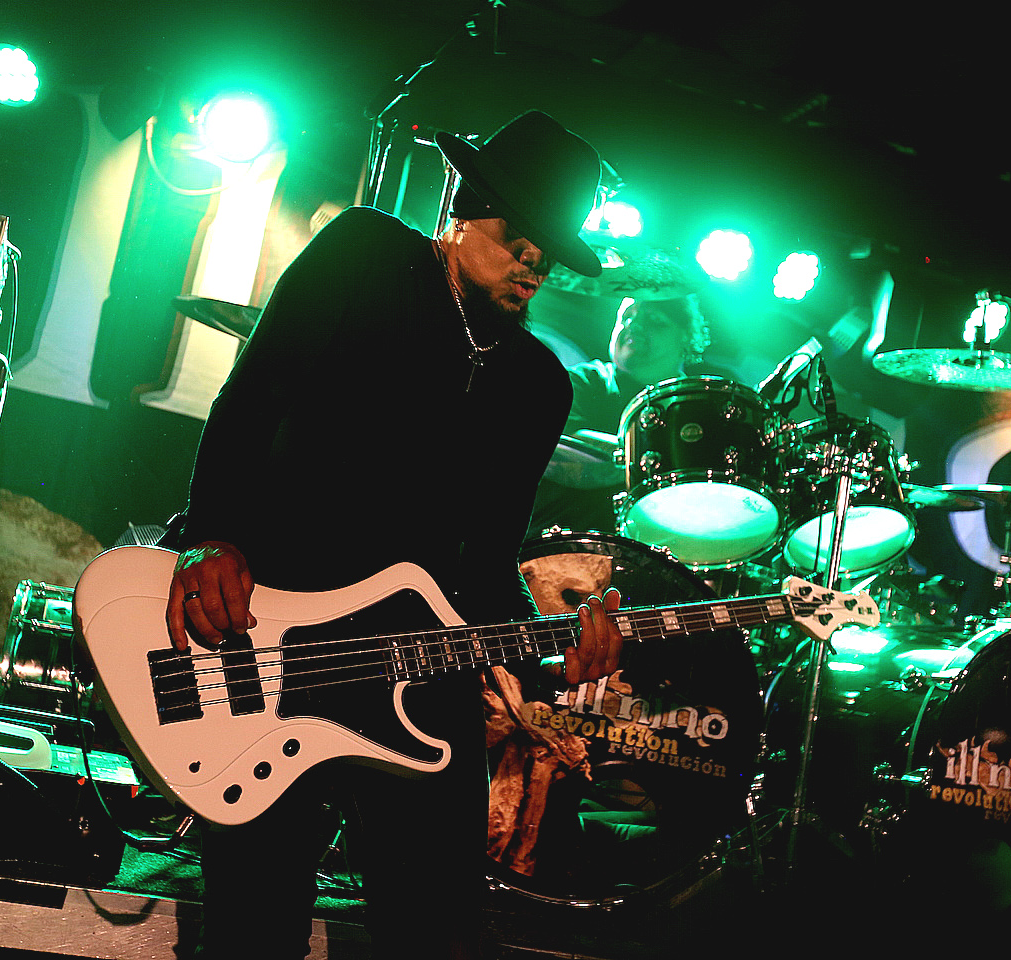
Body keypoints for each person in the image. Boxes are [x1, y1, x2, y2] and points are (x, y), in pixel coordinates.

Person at [161, 109, 626, 960]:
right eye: (518, 236)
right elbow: (250, 401)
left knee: (439, 928)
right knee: (256, 923)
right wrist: (211, 537)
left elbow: (488, 565)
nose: (533, 262)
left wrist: (553, 656)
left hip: (418, 667)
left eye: (548, 251)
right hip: (277, 634)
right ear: (464, 207)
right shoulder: (367, 255)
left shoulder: (537, 385)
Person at [529, 294, 709, 535]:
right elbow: (562, 448)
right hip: (565, 539)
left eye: (654, 320)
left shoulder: (704, 407)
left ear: (687, 337)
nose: (634, 325)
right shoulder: (582, 381)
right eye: (626, 317)